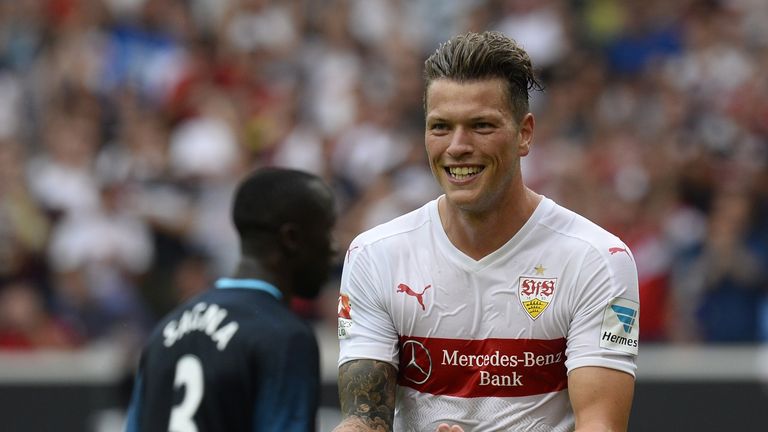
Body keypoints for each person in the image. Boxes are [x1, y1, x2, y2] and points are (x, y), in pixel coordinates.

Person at [334, 31, 639, 431]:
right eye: (441, 127)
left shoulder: (599, 259)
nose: (457, 146)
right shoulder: (375, 255)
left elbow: (601, 425)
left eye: (481, 125)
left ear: (524, 133)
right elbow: (363, 421)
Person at [126, 167, 337, 432]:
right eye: (327, 231)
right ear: (291, 238)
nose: (334, 246)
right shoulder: (286, 336)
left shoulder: (165, 330)